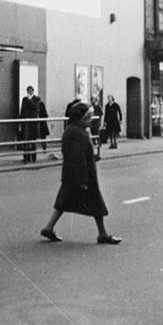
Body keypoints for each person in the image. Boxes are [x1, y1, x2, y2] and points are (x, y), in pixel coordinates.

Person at [40, 101, 121, 245]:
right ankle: (102, 234)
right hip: (83, 176)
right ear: (80, 118)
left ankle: (49, 226)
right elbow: (78, 157)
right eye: (88, 117)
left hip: (71, 175)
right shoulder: (78, 133)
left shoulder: (73, 130)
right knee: (96, 204)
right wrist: (83, 179)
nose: (91, 119)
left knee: (63, 202)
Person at [18, 86, 43, 164]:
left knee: (33, 141)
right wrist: (20, 121)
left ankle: (33, 158)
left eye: (30, 91)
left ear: (32, 91)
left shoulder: (37, 99)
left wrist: (30, 100)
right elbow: (22, 110)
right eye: (28, 91)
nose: (29, 92)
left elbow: (35, 107)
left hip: (33, 123)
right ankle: (26, 157)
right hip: (26, 123)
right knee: (26, 141)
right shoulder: (24, 99)